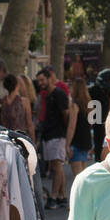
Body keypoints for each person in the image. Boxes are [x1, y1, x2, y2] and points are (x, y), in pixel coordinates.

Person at [36, 65, 70, 207]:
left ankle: (54, 197)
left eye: (42, 80)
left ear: (50, 79)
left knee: (56, 166)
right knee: (57, 166)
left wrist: (65, 134)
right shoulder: (47, 95)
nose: (40, 83)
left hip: (57, 135)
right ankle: (61, 196)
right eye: (38, 81)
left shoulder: (59, 94)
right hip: (49, 135)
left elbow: (66, 114)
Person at [67, 75, 93, 178]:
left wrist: (67, 145)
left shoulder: (74, 106)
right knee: (83, 174)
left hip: (76, 141)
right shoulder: (89, 105)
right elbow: (91, 124)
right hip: (86, 141)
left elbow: (71, 127)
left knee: (78, 176)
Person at [0, 73, 35, 138]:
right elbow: (29, 124)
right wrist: (33, 141)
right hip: (21, 139)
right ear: (17, 85)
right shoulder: (24, 102)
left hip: (5, 138)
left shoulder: (1, 102)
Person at [91, 69, 110, 161]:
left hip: (97, 120)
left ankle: (99, 161)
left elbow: (90, 105)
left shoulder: (92, 89)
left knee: (98, 143)